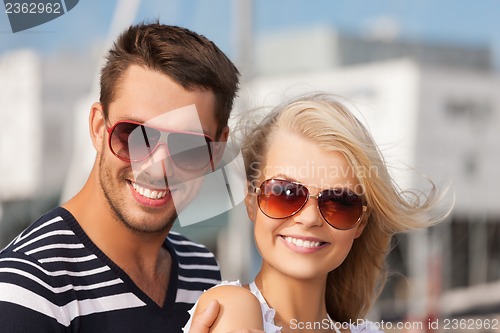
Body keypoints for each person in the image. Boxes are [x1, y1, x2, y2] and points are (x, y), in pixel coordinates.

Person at [0, 22, 240, 332]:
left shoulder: (202, 270)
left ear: (216, 151)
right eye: (135, 136)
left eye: (188, 146)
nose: (158, 167)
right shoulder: (28, 288)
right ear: (99, 128)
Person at [184, 94, 447, 333]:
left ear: (360, 222)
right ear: (252, 200)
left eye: (340, 202)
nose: (309, 218)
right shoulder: (232, 308)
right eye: (285, 193)